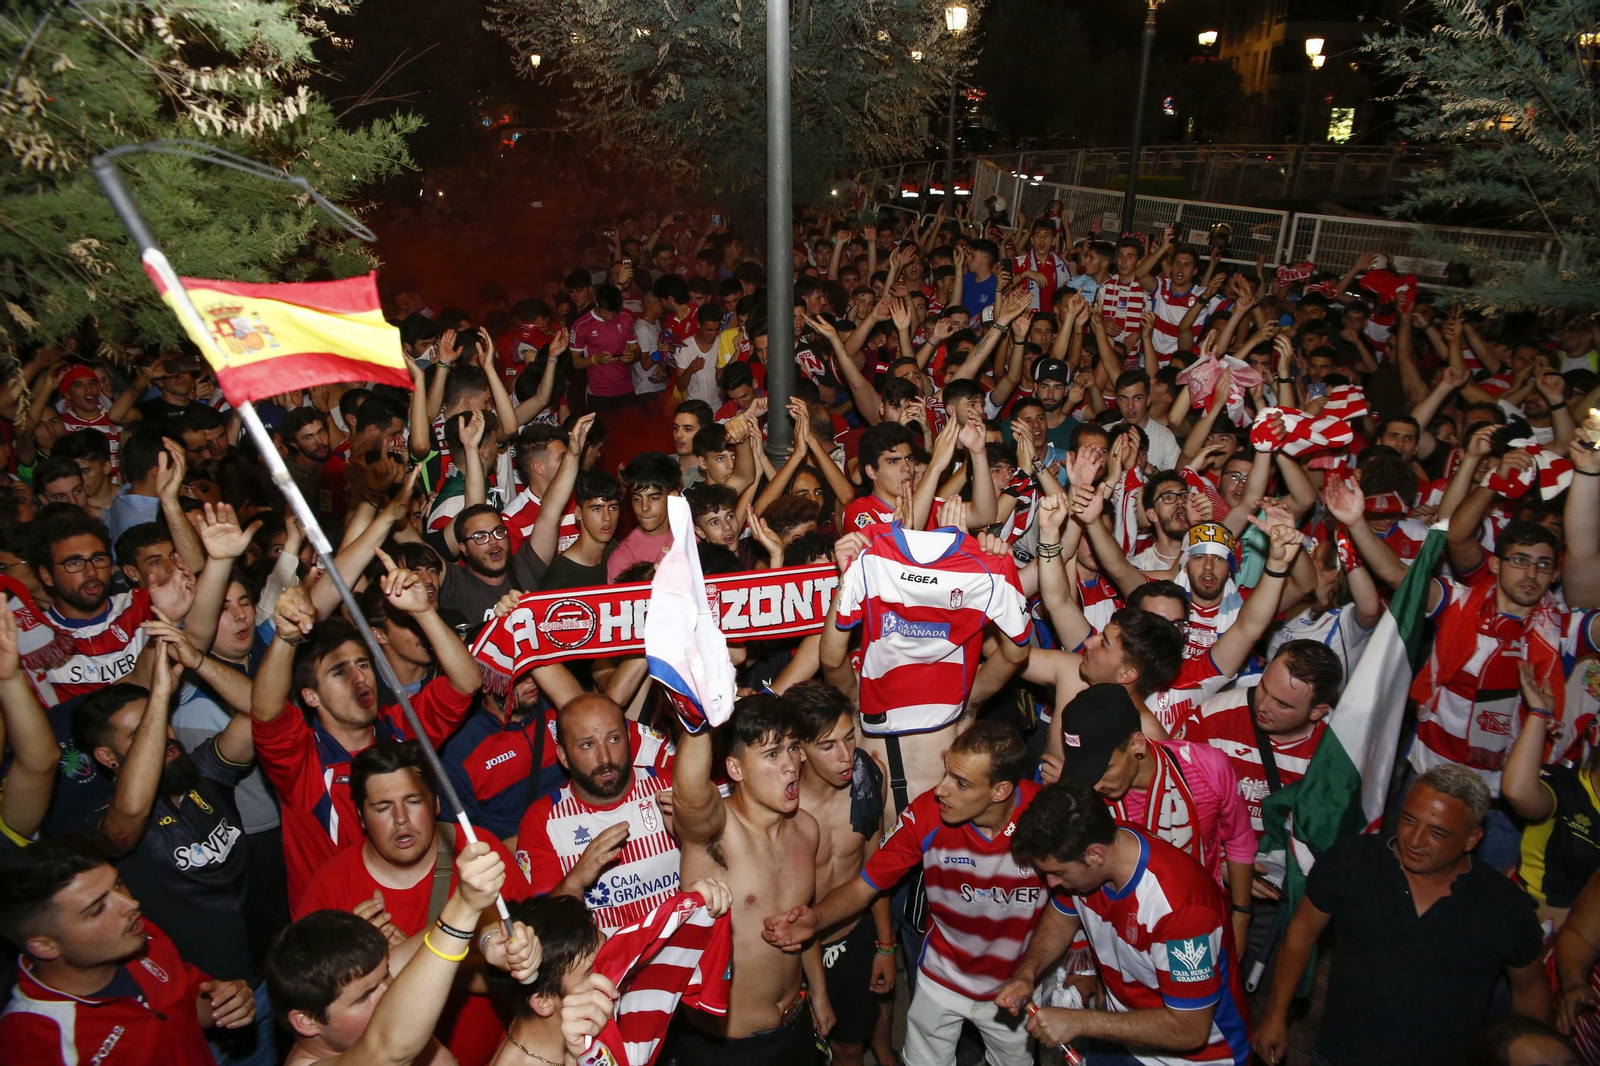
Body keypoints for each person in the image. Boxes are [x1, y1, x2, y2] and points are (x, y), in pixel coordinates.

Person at [765, 722, 1043, 1066]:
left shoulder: (1045, 815)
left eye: (961, 782)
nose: (940, 789)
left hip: (1016, 984)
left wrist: (1078, 968)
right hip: (942, 979)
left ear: (999, 791)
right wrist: (817, 918)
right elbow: (865, 885)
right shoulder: (927, 814)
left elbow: (1071, 902)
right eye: (946, 773)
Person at [1253, 765, 1548, 1066]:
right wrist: (1276, 1016)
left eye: (1437, 832)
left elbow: (1530, 991)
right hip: (1340, 1053)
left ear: (1472, 839)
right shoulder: (1352, 861)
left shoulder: (1504, 906)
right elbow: (1302, 932)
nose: (1416, 840)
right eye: (1409, 820)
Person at [250, 558, 481, 907]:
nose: (360, 678)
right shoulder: (305, 761)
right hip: (339, 938)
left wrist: (423, 613)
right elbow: (266, 713)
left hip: (415, 919)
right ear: (311, 696)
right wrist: (285, 637)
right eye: (339, 673)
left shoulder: (400, 730)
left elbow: (467, 682)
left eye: (362, 664)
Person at [997, 779, 1251, 1066]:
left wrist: (1079, 1023)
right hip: (1123, 1039)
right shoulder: (1095, 856)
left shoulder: (1180, 909)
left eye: (1058, 872)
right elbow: (1062, 916)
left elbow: (1190, 1029)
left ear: (1095, 855)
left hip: (1198, 1059)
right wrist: (1027, 974)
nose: (1052, 883)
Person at [266, 839, 538, 1066]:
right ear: (306, 1020)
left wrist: (490, 941)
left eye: (385, 976)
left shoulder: (366, 980)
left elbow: (458, 925)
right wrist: (463, 906)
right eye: (364, 997)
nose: (389, 992)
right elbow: (388, 1049)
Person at [0, 833, 257, 1066]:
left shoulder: (136, 936)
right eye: (98, 909)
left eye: (118, 884)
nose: (130, 904)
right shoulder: (36, 1040)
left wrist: (225, 1002)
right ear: (44, 946)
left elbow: (188, 1006)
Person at [670, 694, 823, 1064]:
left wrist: (819, 993)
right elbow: (690, 797)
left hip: (795, 1026)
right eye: (772, 755)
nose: (790, 765)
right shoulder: (717, 834)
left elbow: (802, 922)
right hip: (727, 1049)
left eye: (792, 748)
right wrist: (696, 720)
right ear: (735, 770)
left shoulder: (806, 829)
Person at [787, 681, 893, 1066]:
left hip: (852, 936)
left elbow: (874, 865)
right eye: (828, 746)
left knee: (850, 1048)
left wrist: (885, 945)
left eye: (850, 738)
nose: (846, 756)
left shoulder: (869, 776)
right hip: (793, 953)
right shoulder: (784, 803)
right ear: (798, 749)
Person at [513, 694, 679, 934]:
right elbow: (543, 931)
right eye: (588, 745)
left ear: (629, 739)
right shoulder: (543, 820)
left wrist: (693, 840)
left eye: (614, 739)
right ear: (563, 757)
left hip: (685, 954)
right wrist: (576, 881)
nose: (605, 758)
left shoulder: (670, 786)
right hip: (608, 967)